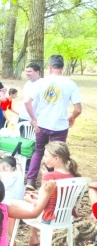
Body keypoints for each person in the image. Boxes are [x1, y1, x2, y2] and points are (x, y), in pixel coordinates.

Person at [24, 55, 82, 190]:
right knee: (58, 155)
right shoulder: (70, 84)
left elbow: (27, 101)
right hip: (60, 126)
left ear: (50, 67)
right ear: (62, 67)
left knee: (38, 151)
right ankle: (53, 181)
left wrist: (33, 119)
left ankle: (31, 181)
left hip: (42, 124)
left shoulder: (41, 82)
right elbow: (78, 109)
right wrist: (72, 117)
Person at [25, 141, 80, 246]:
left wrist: (30, 200)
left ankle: (31, 237)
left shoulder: (49, 176)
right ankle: (33, 238)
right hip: (66, 217)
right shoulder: (73, 176)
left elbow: (42, 204)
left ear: (56, 159)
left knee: (16, 204)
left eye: (46, 156)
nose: (44, 159)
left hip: (49, 217)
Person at [0, 156, 24, 241]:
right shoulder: (19, 173)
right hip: (19, 207)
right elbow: (19, 167)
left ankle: (7, 238)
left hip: (5, 207)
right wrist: (17, 162)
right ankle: (11, 238)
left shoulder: (0, 174)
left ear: (3, 166)